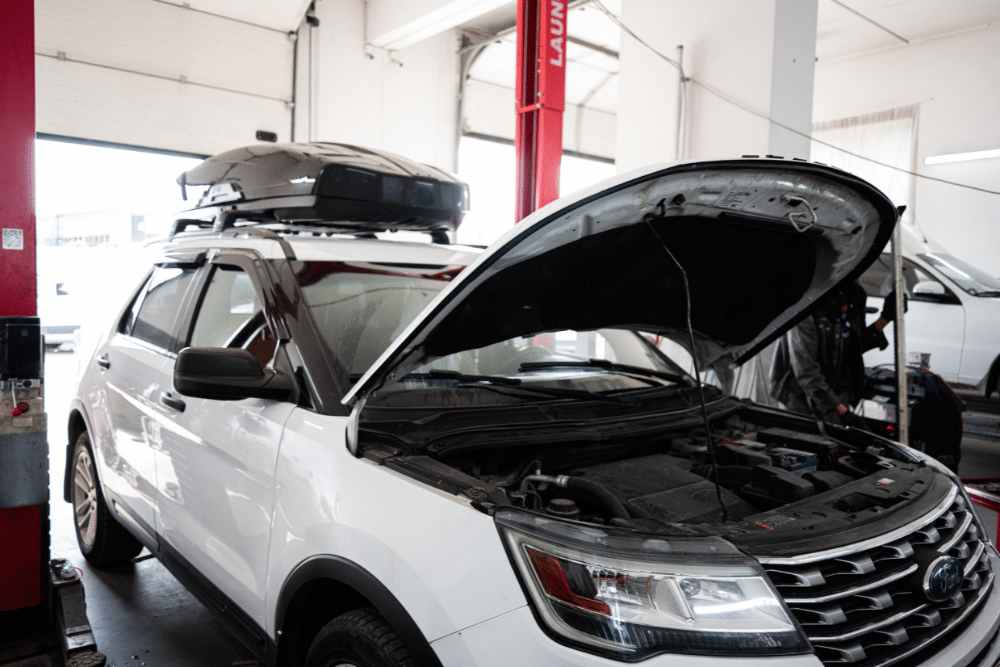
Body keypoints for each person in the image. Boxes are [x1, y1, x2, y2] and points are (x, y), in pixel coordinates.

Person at [770, 282, 904, 425]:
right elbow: (806, 372)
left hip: (838, 392)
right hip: (803, 398)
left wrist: (885, 318)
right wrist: (841, 411)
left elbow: (854, 347)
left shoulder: (854, 294)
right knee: (808, 442)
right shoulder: (808, 301)